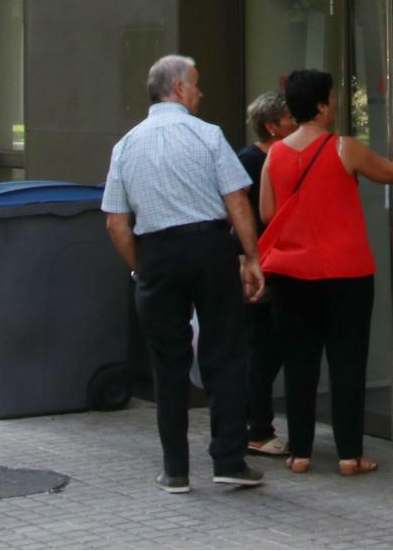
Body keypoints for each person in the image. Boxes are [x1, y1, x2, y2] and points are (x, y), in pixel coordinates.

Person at [257, 69, 393, 476]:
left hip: (290, 273)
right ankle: (349, 455)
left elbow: (269, 214)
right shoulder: (344, 148)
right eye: (334, 97)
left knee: (299, 363)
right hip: (346, 273)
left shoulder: (275, 154)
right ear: (321, 105)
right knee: (347, 363)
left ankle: (300, 453)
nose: (337, 103)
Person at [102, 55, 267, 495]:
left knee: (168, 363)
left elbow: (116, 223)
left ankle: (175, 470)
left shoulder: (126, 145)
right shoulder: (208, 135)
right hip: (210, 247)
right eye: (195, 85)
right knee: (225, 354)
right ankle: (229, 460)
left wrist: (141, 265)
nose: (200, 93)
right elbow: (237, 202)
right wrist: (251, 257)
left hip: (156, 252)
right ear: (178, 90)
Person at [237, 90, 295, 457]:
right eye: (290, 118)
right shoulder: (249, 161)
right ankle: (256, 429)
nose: (296, 123)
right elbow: (236, 213)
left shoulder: (282, 157)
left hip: (279, 263)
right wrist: (245, 260)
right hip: (261, 266)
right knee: (263, 349)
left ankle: (254, 425)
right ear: (272, 126)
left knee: (269, 348)